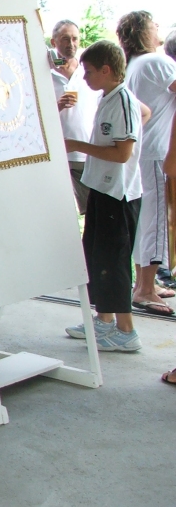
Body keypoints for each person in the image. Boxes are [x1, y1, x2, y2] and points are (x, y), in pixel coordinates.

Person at [64, 40, 147, 352]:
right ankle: (104, 319)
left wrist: (76, 145)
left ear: (106, 70)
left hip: (119, 194)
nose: (84, 77)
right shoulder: (110, 97)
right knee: (97, 256)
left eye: (88, 72)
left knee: (114, 262)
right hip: (101, 188)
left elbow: (123, 154)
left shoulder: (123, 101)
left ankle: (127, 331)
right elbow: (145, 114)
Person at [115, 11, 176, 316]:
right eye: (153, 25)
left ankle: (144, 282)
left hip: (143, 151)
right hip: (156, 152)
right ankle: (145, 289)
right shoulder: (156, 62)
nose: (158, 29)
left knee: (145, 219)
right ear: (142, 31)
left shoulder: (135, 65)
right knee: (155, 221)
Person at [48, 19, 100, 213]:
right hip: (55, 153)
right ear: (54, 42)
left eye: (75, 38)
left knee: (91, 208)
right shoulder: (43, 70)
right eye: (65, 39)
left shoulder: (88, 69)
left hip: (85, 150)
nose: (71, 44)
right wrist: (57, 106)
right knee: (59, 210)